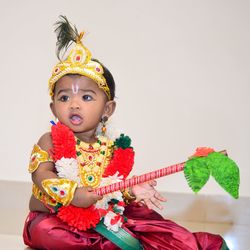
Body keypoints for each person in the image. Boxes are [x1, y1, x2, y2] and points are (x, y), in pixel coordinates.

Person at [23, 16, 229, 250]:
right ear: (53, 108)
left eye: (86, 97)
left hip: (102, 214)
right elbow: (41, 176)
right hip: (55, 217)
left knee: (148, 224)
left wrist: (130, 191)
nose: (74, 104)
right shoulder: (49, 139)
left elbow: (112, 187)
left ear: (107, 109)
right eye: (64, 97)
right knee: (46, 232)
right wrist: (72, 195)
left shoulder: (109, 146)